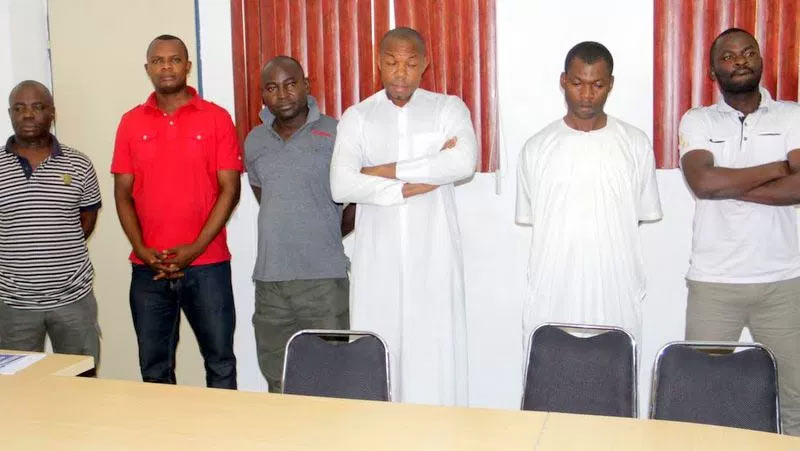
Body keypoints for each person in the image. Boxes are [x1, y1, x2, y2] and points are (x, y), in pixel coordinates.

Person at [330, 27, 476, 406]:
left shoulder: (448, 109)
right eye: (392, 62)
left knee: (436, 357)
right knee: (379, 356)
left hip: (434, 259)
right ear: (378, 63)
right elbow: (341, 185)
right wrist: (410, 184)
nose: (400, 72)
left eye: (410, 63)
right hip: (378, 261)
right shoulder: (358, 117)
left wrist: (380, 171)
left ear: (425, 64)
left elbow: (463, 162)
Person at [679, 28, 800, 436]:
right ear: (714, 71)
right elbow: (703, 183)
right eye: (728, 56)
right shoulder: (698, 120)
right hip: (714, 284)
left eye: (748, 52)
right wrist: (777, 168)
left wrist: (729, 185)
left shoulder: (792, 116)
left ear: (761, 60)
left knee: (796, 399)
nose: (740, 60)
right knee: (700, 398)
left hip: (783, 283)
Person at [112, 35, 242, 389]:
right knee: (154, 370)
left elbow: (230, 190)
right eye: (158, 61)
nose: (166, 67)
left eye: (174, 59)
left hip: (208, 265)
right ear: (148, 68)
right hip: (148, 269)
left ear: (187, 65)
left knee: (220, 364)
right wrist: (141, 250)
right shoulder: (130, 122)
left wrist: (195, 249)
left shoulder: (216, 118)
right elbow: (122, 194)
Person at [516, 41, 662, 346]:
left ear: (611, 84)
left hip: (616, 291)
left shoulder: (635, 143)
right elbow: (535, 218)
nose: (586, 94)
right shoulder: (537, 147)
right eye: (577, 83)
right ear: (563, 81)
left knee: (617, 371)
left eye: (597, 85)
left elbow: (636, 216)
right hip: (553, 292)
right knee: (551, 371)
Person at [244, 56, 355, 393]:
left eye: (291, 84)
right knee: (278, 377)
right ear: (263, 95)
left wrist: (323, 230)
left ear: (306, 85)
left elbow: (355, 202)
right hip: (270, 282)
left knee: (330, 377)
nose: (283, 94)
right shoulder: (254, 141)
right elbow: (265, 195)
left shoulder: (337, 133)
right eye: (272, 88)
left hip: (323, 281)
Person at [0, 80, 102, 367]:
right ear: (10, 114)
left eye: (37, 107)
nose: (27, 114)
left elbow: (87, 220)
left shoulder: (79, 164)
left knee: (81, 380)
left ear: (52, 112)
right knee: (17, 385)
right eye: (19, 108)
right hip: (13, 304)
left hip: (73, 300)